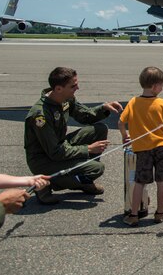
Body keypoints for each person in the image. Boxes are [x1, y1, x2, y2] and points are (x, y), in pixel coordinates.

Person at [24, 67, 123, 205]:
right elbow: (55, 152)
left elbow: (84, 115)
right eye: (73, 86)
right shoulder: (40, 115)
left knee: (99, 130)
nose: (77, 88)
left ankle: (84, 180)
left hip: (59, 146)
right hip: (43, 160)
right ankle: (44, 184)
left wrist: (103, 108)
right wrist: (88, 149)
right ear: (58, 88)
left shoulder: (65, 98)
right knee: (96, 168)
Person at [118, 67, 163, 226]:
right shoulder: (162, 103)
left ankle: (133, 215)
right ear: (154, 86)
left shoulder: (133, 102)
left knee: (139, 182)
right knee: (162, 181)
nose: (162, 89)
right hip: (161, 147)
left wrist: (125, 136)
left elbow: (121, 122)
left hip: (142, 149)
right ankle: (159, 213)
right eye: (161, 85)